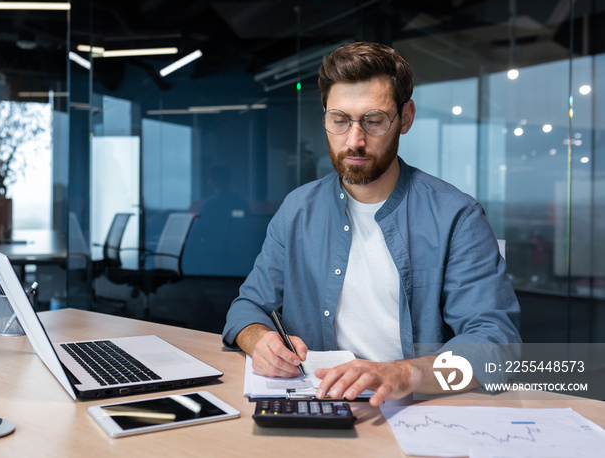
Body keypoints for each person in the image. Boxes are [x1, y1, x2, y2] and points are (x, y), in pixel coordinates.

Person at [222, 41, 521, 407]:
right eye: (339, 120)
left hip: (413, 407)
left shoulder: (457, 216)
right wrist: (259, 340)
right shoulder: (297, 209)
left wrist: (401, 373)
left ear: (405, 118)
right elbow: (248, 305)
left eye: (374, 121)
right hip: (316, 401)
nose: (354, 141)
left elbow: (495, 343)